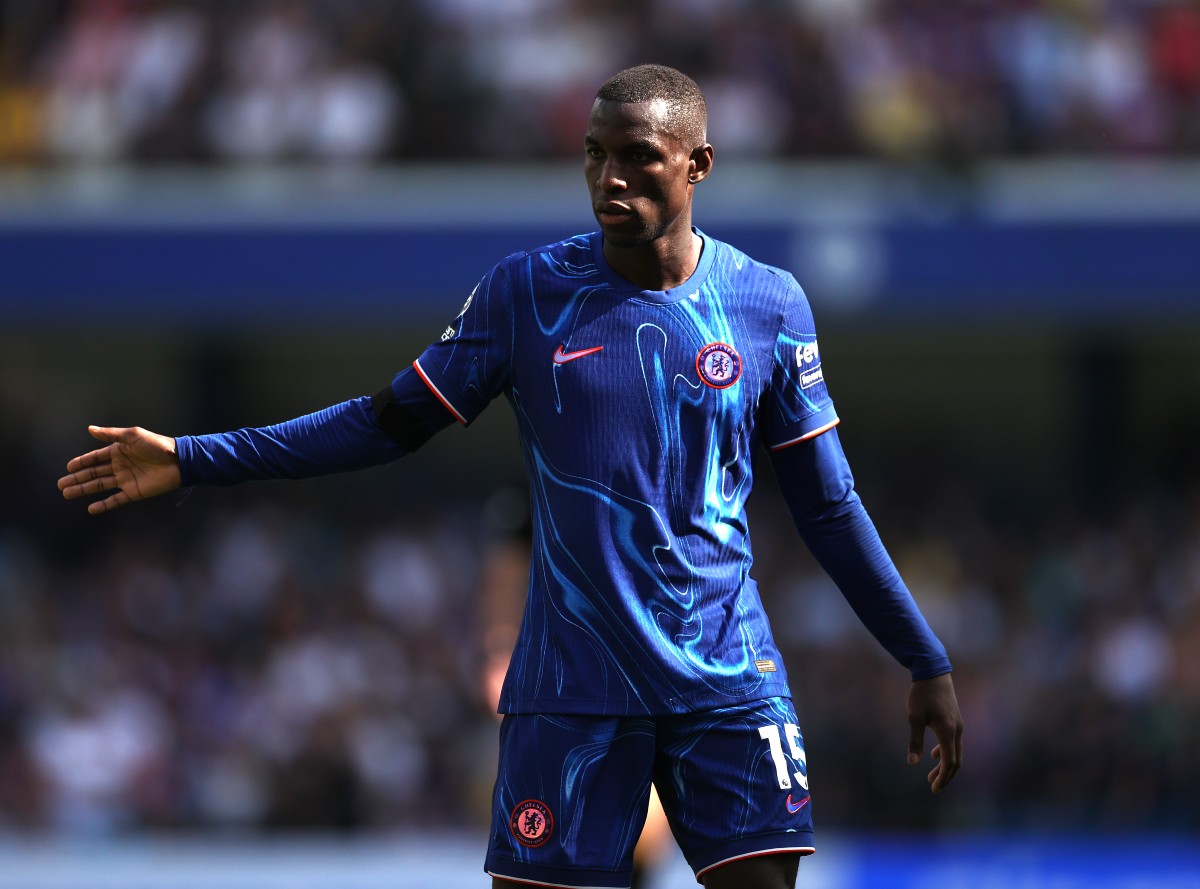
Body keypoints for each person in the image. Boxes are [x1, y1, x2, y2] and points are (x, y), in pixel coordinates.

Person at [59, 64, 963, 889]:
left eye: (638, 158)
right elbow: (386, 424)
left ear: (699, 166)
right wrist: (191, 456)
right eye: (594, 155)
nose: (609, 178)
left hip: (725, 679)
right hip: (570, 694)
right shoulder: (526, 294)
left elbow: (828, 503)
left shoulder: (770, 303)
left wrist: (922, 656)